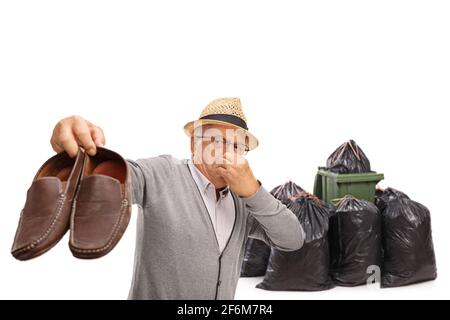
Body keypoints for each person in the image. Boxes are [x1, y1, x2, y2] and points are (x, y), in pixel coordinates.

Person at [50, 97, 305, 299]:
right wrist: (82, 157)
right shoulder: (161, 174)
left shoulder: (245, 199)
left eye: (237, 145)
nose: (228, 152)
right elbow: (110, 183)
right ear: (194, 144)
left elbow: (293, 239)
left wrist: (253, 191)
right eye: (216, 140)